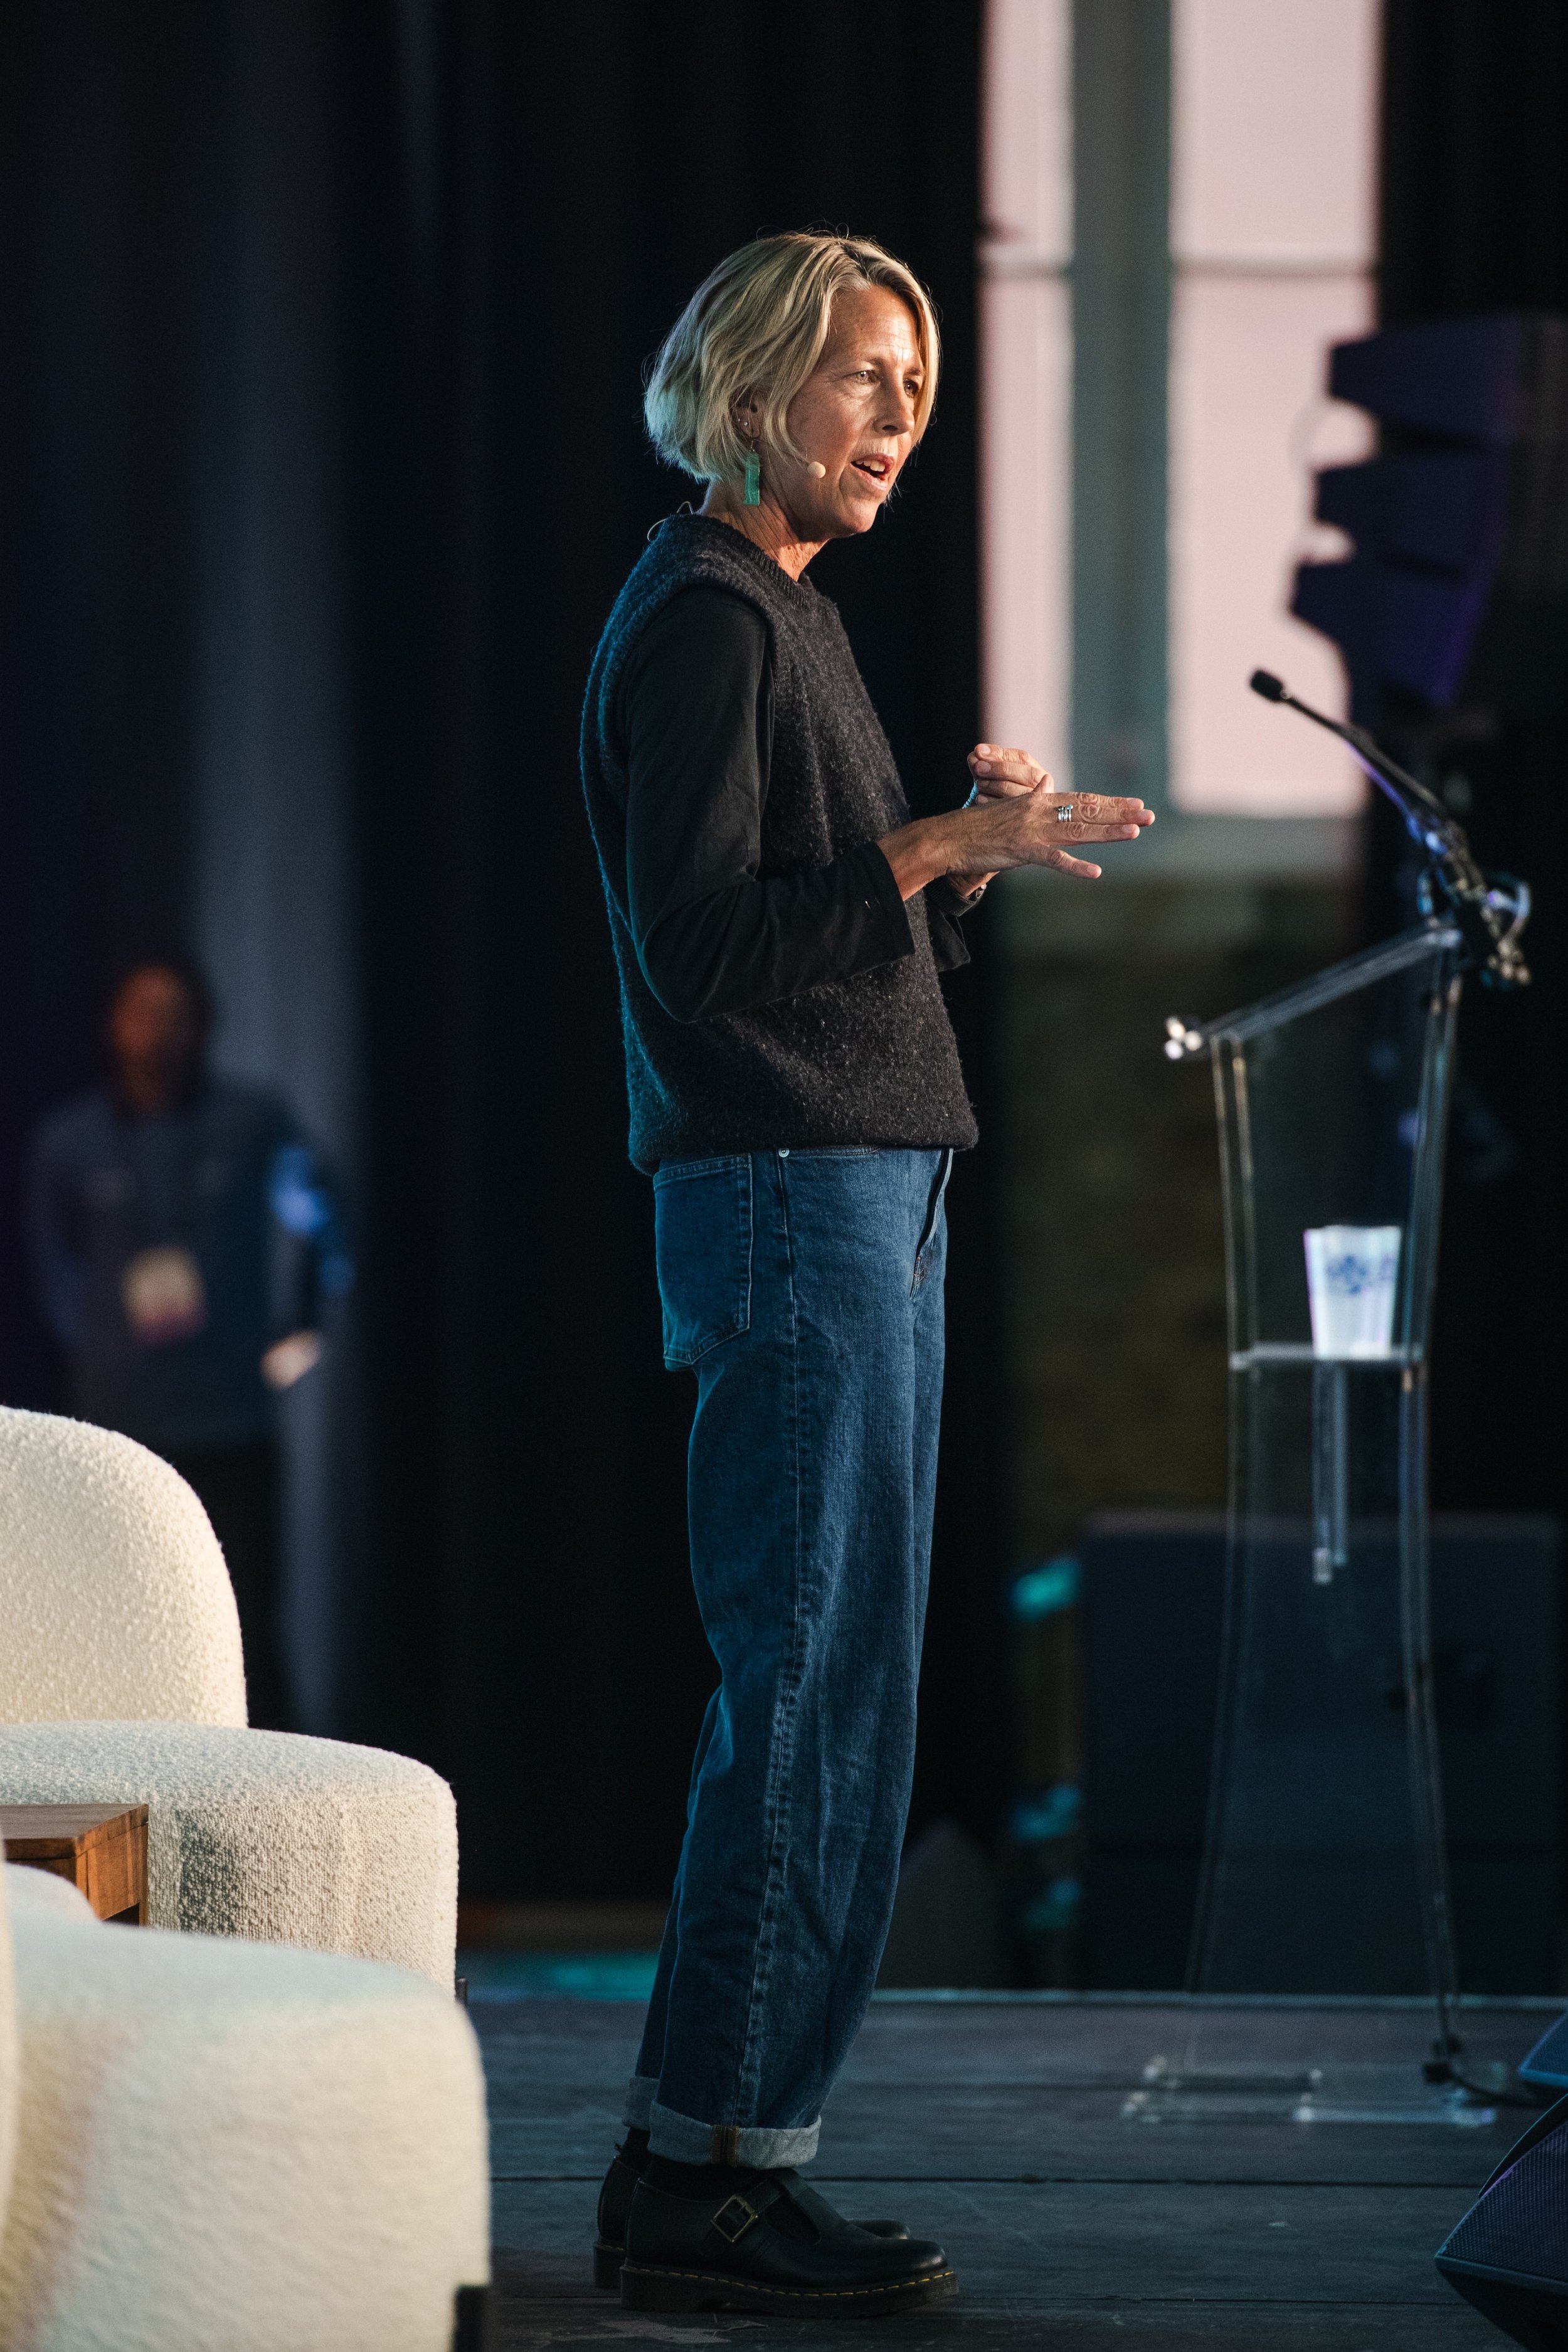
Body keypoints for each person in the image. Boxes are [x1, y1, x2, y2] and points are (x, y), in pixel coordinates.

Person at [580, 231, 1153, 2319]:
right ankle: (696, 2179)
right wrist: (920, 854)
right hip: (790, 1197)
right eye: (861, 379)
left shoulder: (784, 615)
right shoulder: (710, 622)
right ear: (750, 391)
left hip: (863, 1176)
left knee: (852, 1688)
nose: (901, 418)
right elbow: (710, 957)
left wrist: (947, 856)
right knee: (804, 1677)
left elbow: (821, 940)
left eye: (917, 382)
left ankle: (739, 2152)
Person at [28, 958, 351, 1730]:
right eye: (140, 1013)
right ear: (114, 1025)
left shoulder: (253, 1123)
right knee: (106, 1644)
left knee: (246, 1639)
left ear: (203, 1027)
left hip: (229, 1423)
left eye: (173, 1015)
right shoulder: (71, 1141)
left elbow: (328, 1215)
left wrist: (303, 1328)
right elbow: (52, 1265)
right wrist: (104, 1352)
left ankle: (275, 1829)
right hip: (116, 1436)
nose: (156, 1033)